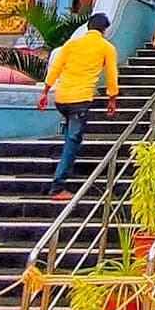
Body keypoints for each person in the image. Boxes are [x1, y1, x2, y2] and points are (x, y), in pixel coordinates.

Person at [37, 12, 119, 202]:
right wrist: (112, 98)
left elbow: (56, 67)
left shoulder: (72, 44)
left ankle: (62, 176)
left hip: (62, 98)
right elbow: (111, 75)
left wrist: (45, 91)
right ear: (104, 30)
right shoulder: (105, 47)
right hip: (80, 100)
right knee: (72, 142)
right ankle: (57, 186)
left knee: (70, 136)